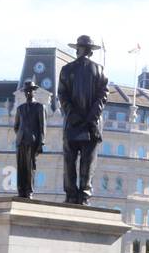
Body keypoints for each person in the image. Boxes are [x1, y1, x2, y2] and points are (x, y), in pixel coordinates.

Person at [57, 35, 108, 204]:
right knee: (88, 161)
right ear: (91, 52)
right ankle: (84, 196)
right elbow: (102, 97)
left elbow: (62, 96)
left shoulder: (66, 70)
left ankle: (71, 195)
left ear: (78, 50)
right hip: (92, 125)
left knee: (69, 161)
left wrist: (73, 115)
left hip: (72, 124)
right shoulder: (99, 70)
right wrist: (91, 117)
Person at [13, 79, 45, 199]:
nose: (27, 93)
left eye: (30, 91)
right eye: (26, 91)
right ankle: (21, 190)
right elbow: (16, 126)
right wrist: (21, 134)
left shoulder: (39, 107)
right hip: (20, 141)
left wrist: (41, 142)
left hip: (32, 141)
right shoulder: (20, 108)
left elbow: (42, 127)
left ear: (34, 92)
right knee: (21, 167)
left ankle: (29, 190)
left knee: (30, 167)